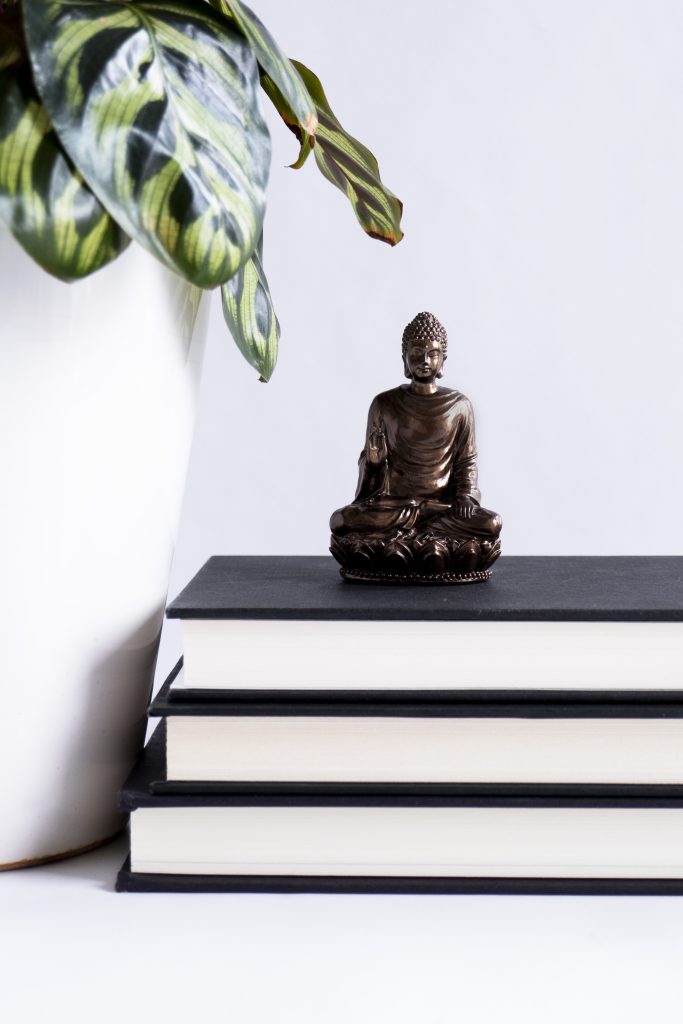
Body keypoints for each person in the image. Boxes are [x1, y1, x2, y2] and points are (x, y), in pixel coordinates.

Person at [330, 311, 501, 578]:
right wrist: (374, 464)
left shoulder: (459, 406)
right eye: (417, 353)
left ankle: (417, 533)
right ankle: (424, 532)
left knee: (491, 524)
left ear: (443, 359)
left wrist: (465, 496)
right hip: (393, 506)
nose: (424, 360)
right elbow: (370, 475)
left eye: (432, 354)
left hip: (442, 507)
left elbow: (466, 462)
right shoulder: (384, 404)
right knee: (342, 521)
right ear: (404, 359)